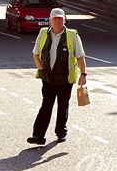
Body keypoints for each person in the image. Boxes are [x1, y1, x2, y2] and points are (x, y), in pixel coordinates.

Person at [28, 8, 86, 145]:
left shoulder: (72, 35)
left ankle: (61, 132)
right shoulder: (43, 33)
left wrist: (83, 74)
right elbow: (36, 54)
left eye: (60, 18)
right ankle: (38, 136)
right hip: (48, 78)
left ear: (65, 19)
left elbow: (80, 56)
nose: (58, 20)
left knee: (62, 106)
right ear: (50, 20)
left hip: (65, 78)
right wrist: (41, 70)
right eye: (55, 18)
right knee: (46, 105)